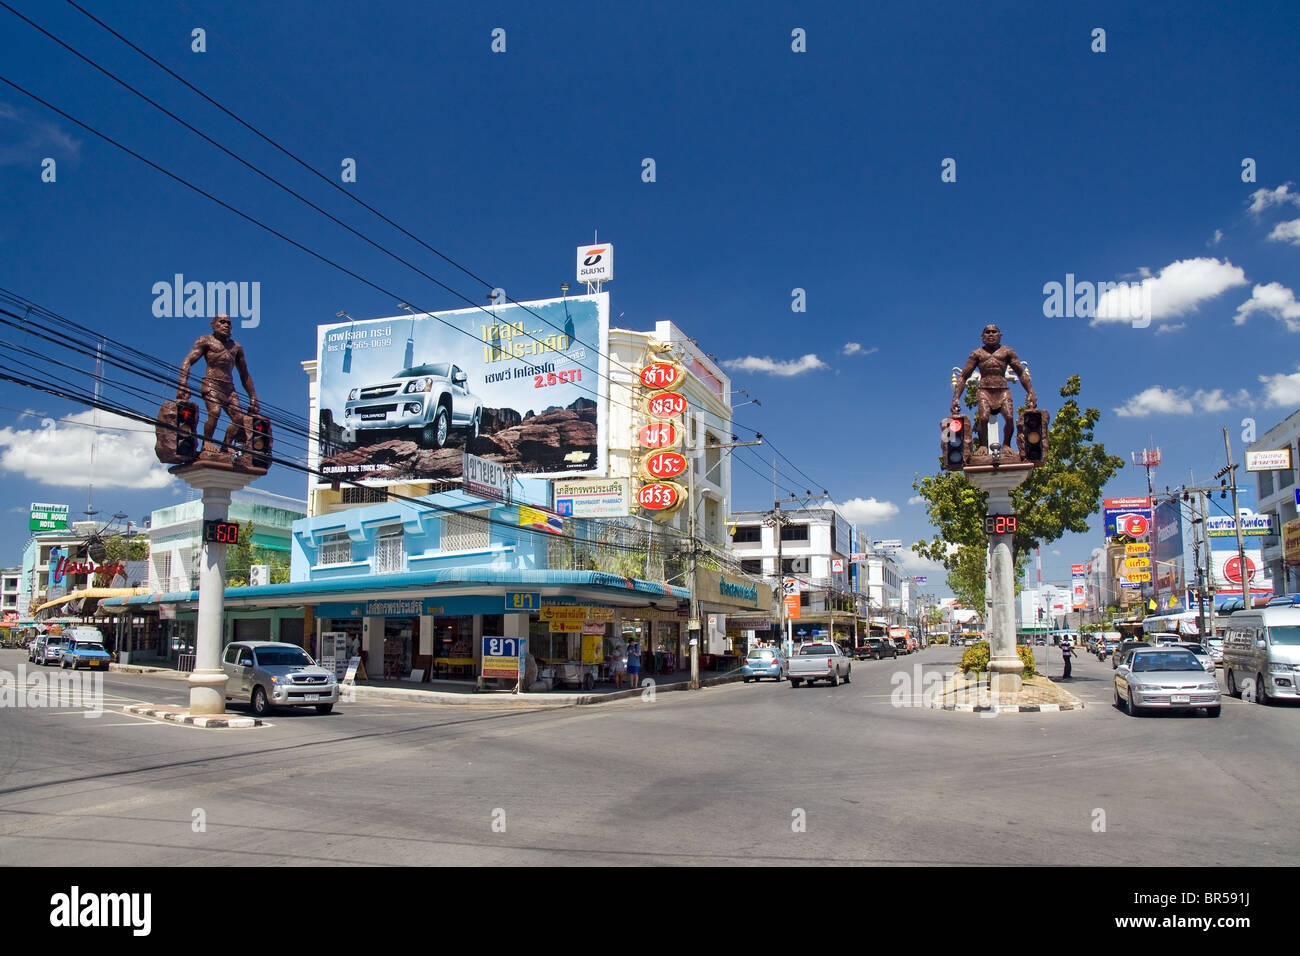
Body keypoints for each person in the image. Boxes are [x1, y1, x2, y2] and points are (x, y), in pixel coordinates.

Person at [177, 314, 261, 456]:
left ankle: (225, 445)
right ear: (213, 324)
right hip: (211, 384)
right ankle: (207, 442)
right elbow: (188, 360)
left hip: (229, 388)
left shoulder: (236, 347)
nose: (226, 325)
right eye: (222, 322)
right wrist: (182, 383)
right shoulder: (206, 341)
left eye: (229, 323)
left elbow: (244, 374)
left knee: (238, 418)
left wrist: (253, 396)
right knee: (215, 412)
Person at [952, 324, 1037, 452]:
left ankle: (1006, 445)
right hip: (984, 391)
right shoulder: (977, 354)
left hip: (1002, 390)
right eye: (987, 332)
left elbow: (1020, 373)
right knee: (983, 418)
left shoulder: (1007, 352)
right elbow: (963, 376)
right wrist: (956, 398)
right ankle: (983, 445)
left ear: (1000, 335)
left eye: (994, 332)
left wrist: (1031, 392)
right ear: (982, 337)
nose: (991, 334)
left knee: (1009, 418)